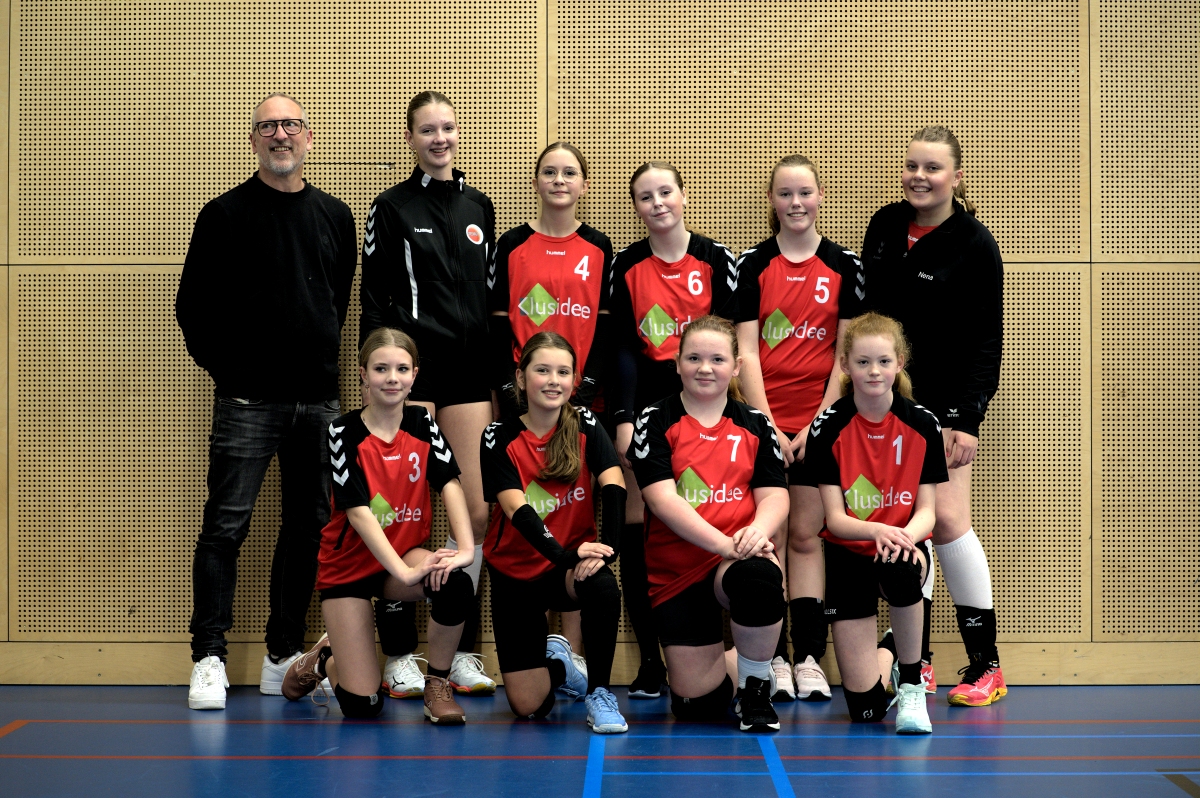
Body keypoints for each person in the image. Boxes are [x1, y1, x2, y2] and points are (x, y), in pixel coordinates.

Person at [176, 93, 357, 711]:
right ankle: (208, 657)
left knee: (307, 528)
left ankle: (282, 654)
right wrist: (233, 372)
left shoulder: (334, 216)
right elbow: (193, 308)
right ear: (254, 139)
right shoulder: (224, 214)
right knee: (225, 527)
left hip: (318, 402)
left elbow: (334, 300)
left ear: (308, 136)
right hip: (248, 400)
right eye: (268, 126)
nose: (281, 134)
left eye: (291, 125)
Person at [861, 126, 1006, 706]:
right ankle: (914, 663)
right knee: (905, 522)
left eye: (933, 168)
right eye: (912, 166)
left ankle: (986, 666)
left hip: (944, 411)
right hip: (886, 404)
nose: (919, 177)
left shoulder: (974, 244)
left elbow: (986, 340)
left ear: (956, 177)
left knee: (947, 521)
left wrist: (966, 418)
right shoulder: (884, 225)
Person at [359, 91, 497, 699]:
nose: (439, 138)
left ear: (456, 133)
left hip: (468, 375)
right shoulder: (391, 207)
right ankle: (398, 655)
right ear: (411, 139)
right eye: (427, 130)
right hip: (413, 375)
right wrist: (386, 376)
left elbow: (487, 298)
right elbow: (374, 299)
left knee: (478, 511)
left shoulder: (478, 205)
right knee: (404, 514)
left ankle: (459, 650)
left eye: (447, 127)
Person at [279, 329, 477, 722]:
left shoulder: (422, 423)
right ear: (363, 374)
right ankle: (324, 658)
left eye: (402, 369)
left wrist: (466, 551)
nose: (392, 378)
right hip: (349, 567)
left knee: (455, 583)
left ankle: (437, 685)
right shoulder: (342, 432)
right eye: (381, 368)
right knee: (364, 706)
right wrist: (405, 572)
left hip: (402, 555)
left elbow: (450, 484)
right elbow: (358, 512)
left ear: (414, 375)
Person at [610, 162, 752, 699]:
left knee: (721, 512)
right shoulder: (626, 264)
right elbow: (623, 349)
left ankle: (752, 656)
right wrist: (624, 418)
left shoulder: (716, 259)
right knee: (642, 523)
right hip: (650, 406)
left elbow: (731, 347)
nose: (658, 203)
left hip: (710, 406)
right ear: (636, 207)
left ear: (683, 196)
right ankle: (652, 659)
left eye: (665, 191)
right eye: (645, 197)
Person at [735, 154, 865, 702]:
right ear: (772, 200)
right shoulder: (752, 264)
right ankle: (774, 659)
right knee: (773, 537)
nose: (795, 203)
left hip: (821, 424)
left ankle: (809, 656)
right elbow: (745, 351)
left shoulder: (844, 265)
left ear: (819, 197)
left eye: (805, 192)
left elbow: (846, 355)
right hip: (765, 422)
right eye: (785, 193)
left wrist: (817, 425)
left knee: (809, 536)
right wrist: (766, 423)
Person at [630, 315, 789, 733]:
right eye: (694, 358)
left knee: (758, 578)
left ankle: (755, 689)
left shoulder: (755, 422)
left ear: (736, 367)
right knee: (696, 707)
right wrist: (723, 543)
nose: (705, 368)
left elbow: (775, 495)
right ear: (677, 363)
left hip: (737, 559)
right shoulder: (655, 419)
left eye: (718, 359)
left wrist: (756, 533)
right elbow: (661, 498)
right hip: (678, 569)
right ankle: (746, 664)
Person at [805, 312, 947, 733]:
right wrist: (876, 530)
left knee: (901, 570)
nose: (874, 371)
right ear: (845, 365)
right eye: (863, 362)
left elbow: (928, 512)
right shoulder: (827, 427)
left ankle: (913, 686)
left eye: (884, 361)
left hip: (903, 546)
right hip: (849, 552)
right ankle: (890, 648)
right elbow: (835, 518)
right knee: (865, 711)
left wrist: (902, 537)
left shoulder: (922, 423)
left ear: (900, 363)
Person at [480, 332, 628, 733]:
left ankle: (600, 694)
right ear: (521, 377)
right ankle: (561, 668)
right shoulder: (498, 435)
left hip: (565, 568)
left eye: (563, 372)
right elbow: (517, 509)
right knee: (529, 707)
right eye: (542, 370)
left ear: (574, 379)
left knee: (602, 586)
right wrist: (566, 555)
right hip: (515, 573)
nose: (553, 380)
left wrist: (607, 550)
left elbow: (614, 484)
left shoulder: (586, 424)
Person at [489, 141, 614, 417]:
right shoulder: (511, 243)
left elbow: (604, 326)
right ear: (536, 184)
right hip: (523, 398)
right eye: (549, 172)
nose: (559, 180)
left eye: (569, 173)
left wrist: (586, 392)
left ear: (585, 185)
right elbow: (498, 325)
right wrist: (511, 393)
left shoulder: (599, 245)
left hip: (581, 398)